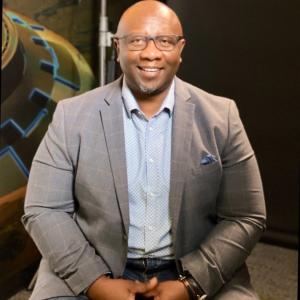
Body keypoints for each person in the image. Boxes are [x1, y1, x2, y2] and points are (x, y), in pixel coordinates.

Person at [22, 1, 266, 299]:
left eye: (164, 41)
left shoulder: (222, 117)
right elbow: (43, 209)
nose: (151, 53)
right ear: (117, 46)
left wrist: (191, 284)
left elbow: (246, 216)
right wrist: (95, 282)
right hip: (94, 263)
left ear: (180, 48)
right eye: (137, 40)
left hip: (192, 267)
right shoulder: (71, 116)